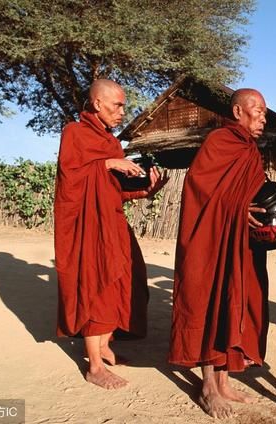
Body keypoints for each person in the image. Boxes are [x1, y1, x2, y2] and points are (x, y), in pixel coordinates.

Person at [54, 79, 167, 390]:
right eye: (117, 105)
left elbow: (113, 193)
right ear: (96, 104)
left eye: (123, 105)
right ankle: (93, 365)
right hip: (88, 226)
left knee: (126, 279)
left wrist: (145, 190)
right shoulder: (74, 133)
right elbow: (70, 178)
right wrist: (106, 164)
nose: (122, 112)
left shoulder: (113, 143)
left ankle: (105, 346)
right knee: (97, 285)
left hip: (113, 223)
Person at [169, 88, 270, 419]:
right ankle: (209, 387)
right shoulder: (219, 142)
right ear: (238, 112)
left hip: (238, 242)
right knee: (210, 302)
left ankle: (225, 382)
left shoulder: (250, 152)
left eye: (265, 112)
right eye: (257, 110)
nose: (263, 116)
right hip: (211, 241)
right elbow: (200, 190)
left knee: (231, 304)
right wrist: (237, 209)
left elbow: (250, 191)